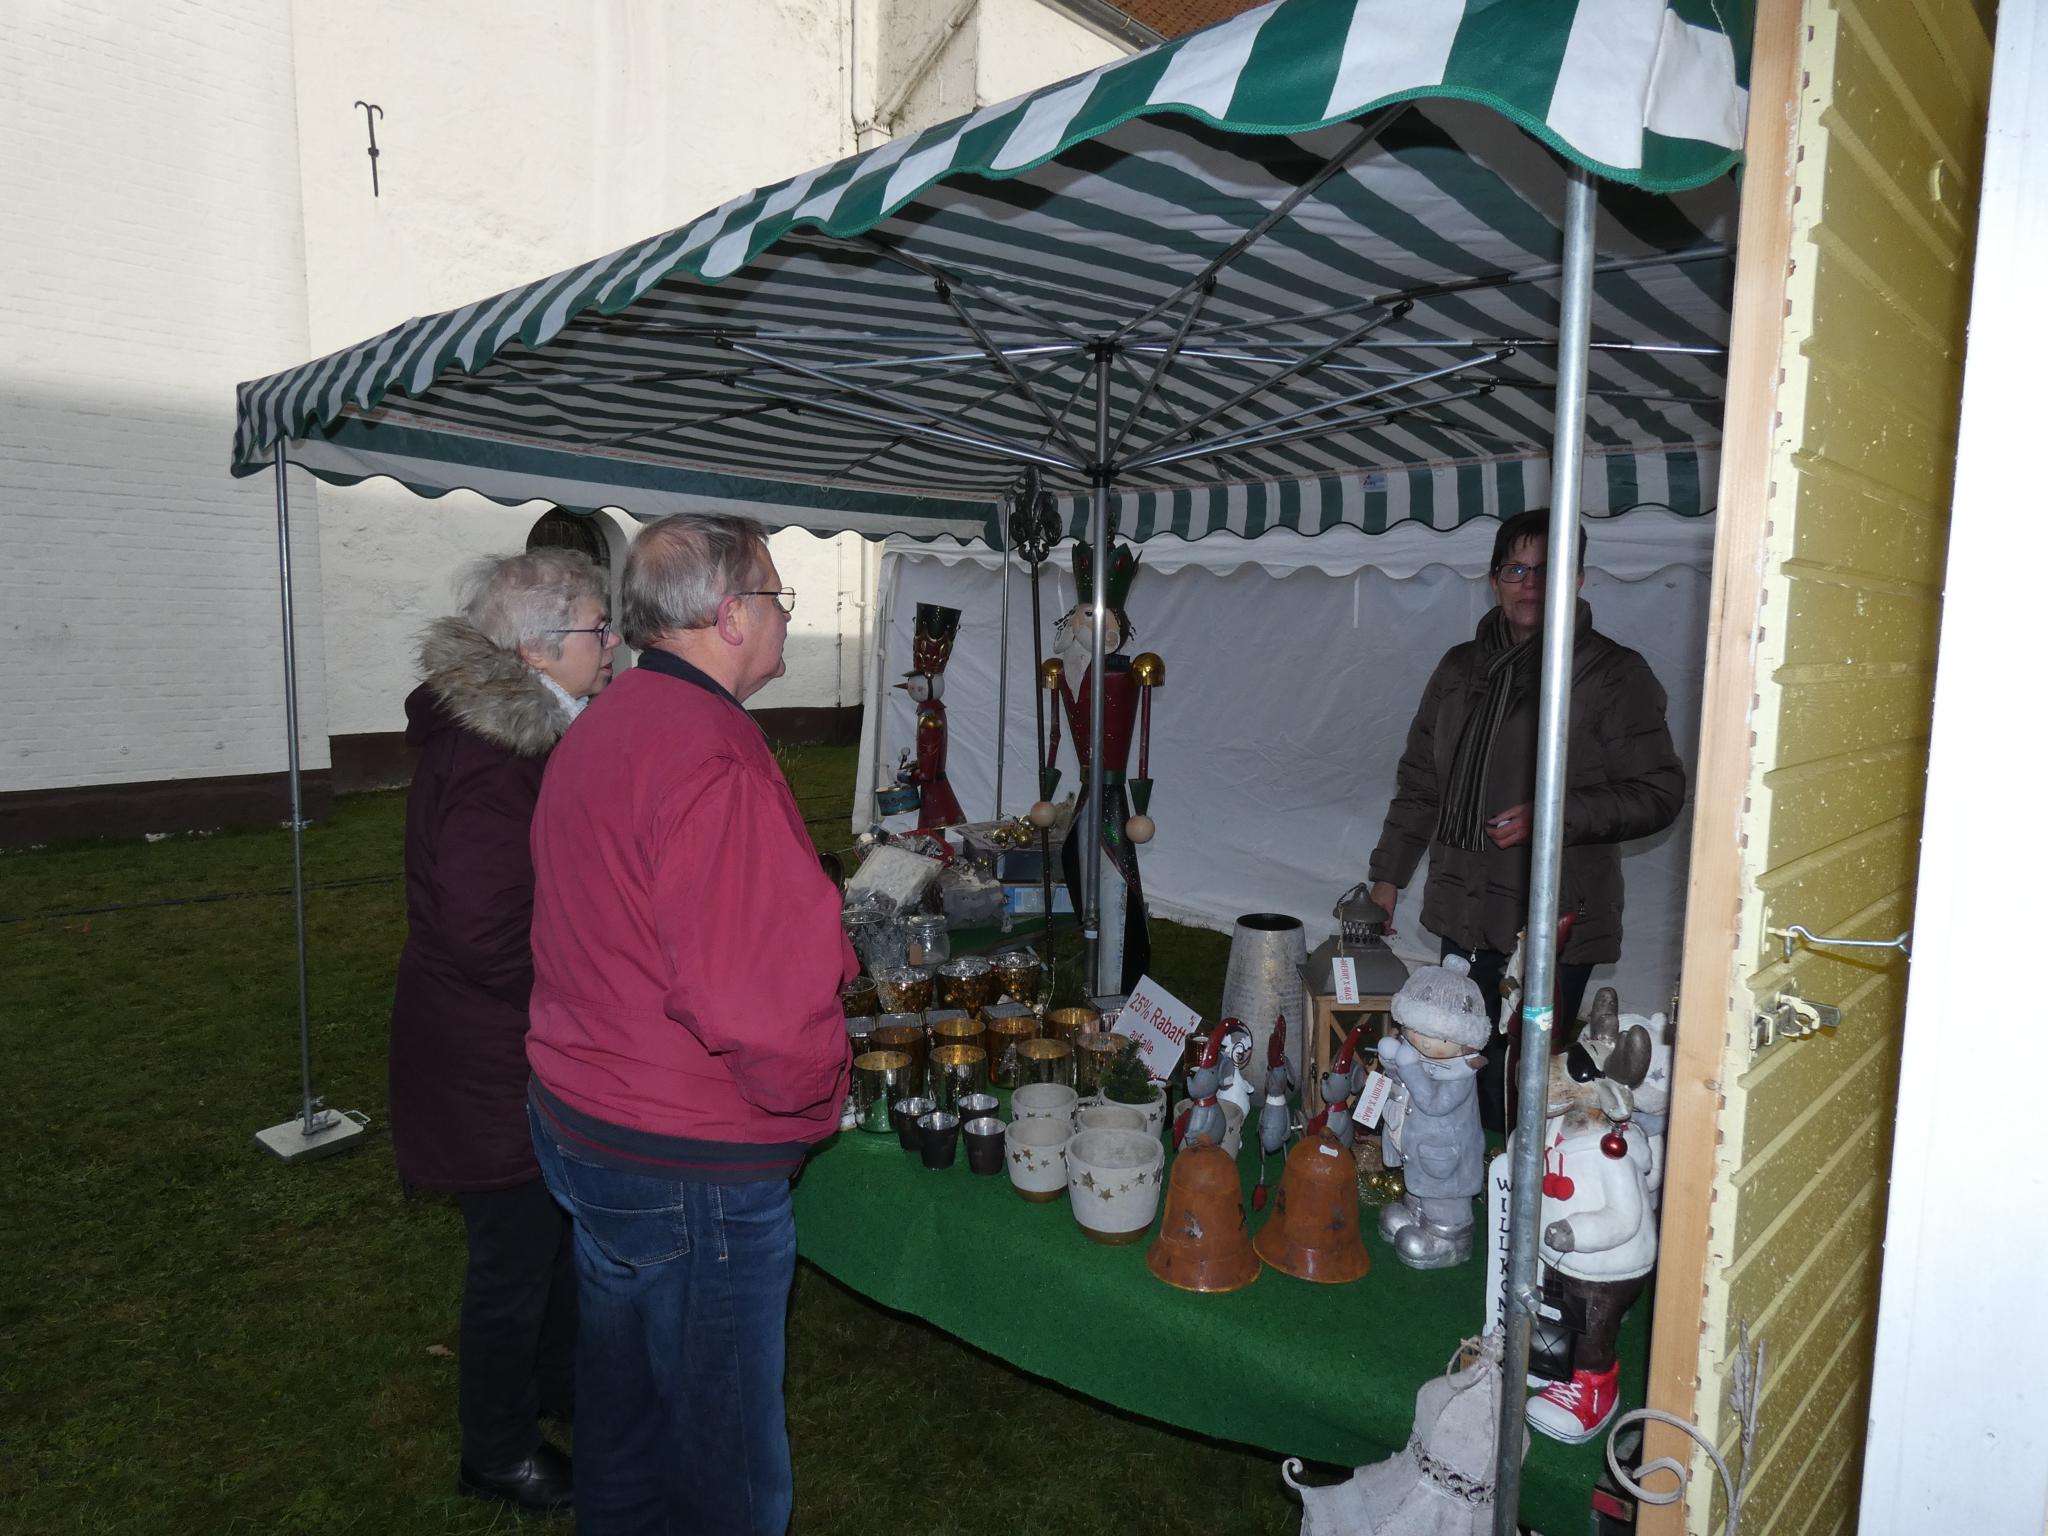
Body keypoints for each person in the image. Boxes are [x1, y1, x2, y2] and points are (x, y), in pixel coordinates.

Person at [524, 513, 856, 1536]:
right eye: (776, 597)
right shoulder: (710, 755)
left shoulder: (607, 720)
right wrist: (814, 1098)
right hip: (683, 1157)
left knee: (624, 1417)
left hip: (588, 1119)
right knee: (726, 1469)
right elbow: (758, 1003)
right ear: (730, 615)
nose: (785, 616)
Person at [388, 546, 620, 1514]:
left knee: (549, 1237)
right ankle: (495, 1451)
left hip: (502, 1046)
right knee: (513, 1262)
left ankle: (556, 1388)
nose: (612, 643)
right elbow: (486, 934)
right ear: (536, 650)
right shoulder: (493, 760)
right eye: (597, 629)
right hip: (486, 1057)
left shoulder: (516, 736)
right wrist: (588, 981)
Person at [1365, 509, 1684, 1133]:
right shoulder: (1459, 668)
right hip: (1464, 905)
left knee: (1520, 1079)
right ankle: (1457, 1174)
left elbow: (1661, 792)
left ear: (1578, 578)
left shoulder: (1611, 674)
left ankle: (1518, 1180)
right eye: (1516, 569)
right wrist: (1387, 876)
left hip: (1553, 916)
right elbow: (1422, 780)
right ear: (1494, 580)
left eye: (1548, 569)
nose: (1530, 584)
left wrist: (1557, 816)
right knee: (1455, 1055)